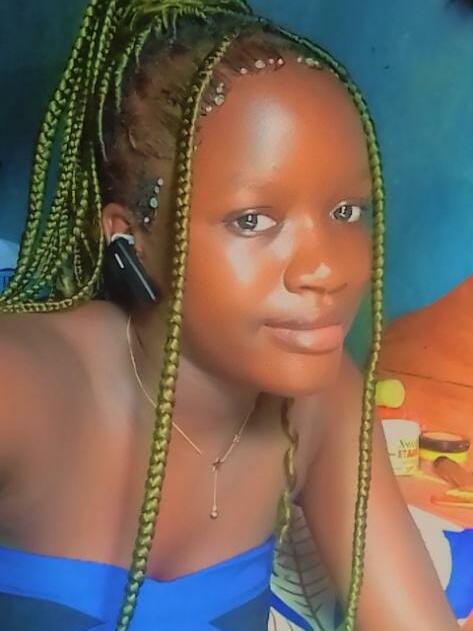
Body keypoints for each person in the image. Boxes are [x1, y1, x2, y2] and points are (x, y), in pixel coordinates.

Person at [0, 1, 460, 629]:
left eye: (347, 212)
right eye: (252, 220)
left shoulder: (319, 402)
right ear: (130, 238)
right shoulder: (23, 389)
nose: (326, 269)